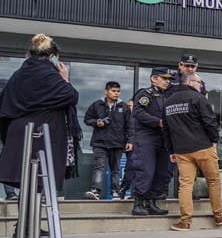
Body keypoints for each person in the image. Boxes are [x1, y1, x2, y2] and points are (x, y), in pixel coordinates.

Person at [0, 34, 80, 217]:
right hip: (41, 133)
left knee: (29, 183)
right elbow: (71, 96)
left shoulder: (19, 74)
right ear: (52, 55)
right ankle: (28, 227)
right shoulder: (48, 73)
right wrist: (65, 78)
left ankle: (25, 226)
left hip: (20, 132)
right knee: (37, 181)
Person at [163, 72, 222, 231]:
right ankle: (219, 215)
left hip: (181, 150)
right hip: (203, 147)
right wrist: (215, 140)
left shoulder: (168, 102)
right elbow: (210, 121)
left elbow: (166, 130)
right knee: (213, 181)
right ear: (190, 82)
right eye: (199, 82)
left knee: (185, 185)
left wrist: (170, 150)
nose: (201, 86)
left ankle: (185, 221)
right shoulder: (199, 98)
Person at [128, 66, 173, 217]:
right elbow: (138, 112)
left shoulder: (167, 97)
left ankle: (152, 203)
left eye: (169, 79)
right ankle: (138, 203)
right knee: (145, 170)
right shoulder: (145, 93)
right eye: (164, 78)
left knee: (161, 172)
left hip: (163, 140)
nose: (167, 82)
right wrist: (158, 122)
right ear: (154, 79)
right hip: (147, 138)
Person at [83, 81, 131, 200]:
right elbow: (87, 119)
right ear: (106, 91)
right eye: (113, 91)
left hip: (117, 143)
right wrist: (96, 123)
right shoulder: (97, 104)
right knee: (99, 167)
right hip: (100, 142)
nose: (116, 93)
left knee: (115, 169)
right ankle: (96, 191)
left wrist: (130, 141)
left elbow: (130, 125)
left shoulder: (124, 107)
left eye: (118, 91)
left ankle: (115, 191)